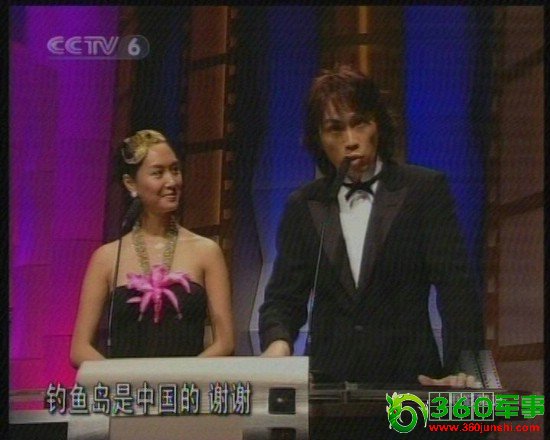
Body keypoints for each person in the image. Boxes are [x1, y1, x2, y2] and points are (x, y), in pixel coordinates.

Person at [259, 65, 484, 388]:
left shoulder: (424, 190)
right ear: (318, 139)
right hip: (330, 388)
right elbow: (283, 298)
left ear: (378, 124)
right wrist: (277, 344)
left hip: (410, 385)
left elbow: (456, 289)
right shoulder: (303, 205)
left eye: (360, 123)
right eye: (335, 129)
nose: (351, 141)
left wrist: (466, 368)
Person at [70, 129, 234, 367]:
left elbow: (225, 342)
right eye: (158, 173)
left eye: (175, 170)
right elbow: (80, 349)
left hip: (185, 386)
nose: (172, 182)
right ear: (131, 183)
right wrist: (121, 379)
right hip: (126, 389)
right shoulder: (107, 258)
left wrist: (179, 377)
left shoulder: (206, 251)